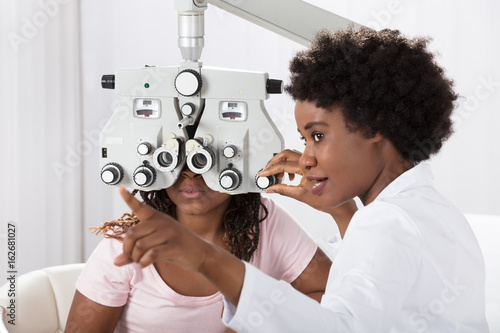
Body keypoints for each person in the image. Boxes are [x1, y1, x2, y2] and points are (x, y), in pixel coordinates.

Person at [111, 27, 489, 332]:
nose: (305, 159)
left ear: (374, 127)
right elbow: (365, 289)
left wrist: (207, 259)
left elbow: (339, 327)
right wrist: (342, 212)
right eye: (303, 139)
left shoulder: (387, 221)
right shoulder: (428, 209)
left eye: (318, 136)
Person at [65, 165, 351, 333]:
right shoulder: (127, 242)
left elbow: (330, 295)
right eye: (177, 159)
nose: (191, 173)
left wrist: (253, 320)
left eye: (207, 159)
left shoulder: (266, 221)